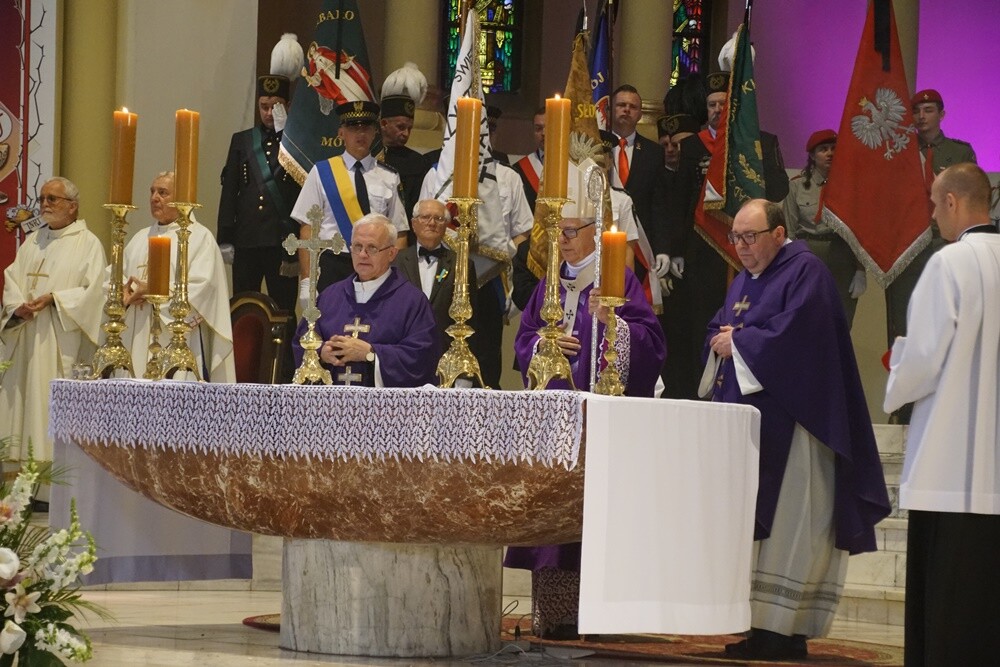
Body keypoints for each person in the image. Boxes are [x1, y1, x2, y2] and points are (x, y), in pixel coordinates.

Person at [701, 199, 890, 660]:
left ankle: (783, 630)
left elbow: (804, 337)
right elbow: (723, 326)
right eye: (736, 237)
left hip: (799, 427)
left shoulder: (807, 272)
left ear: (779, 233)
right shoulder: (746, 278)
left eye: (750, 237)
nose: (741, 247)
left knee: (791, 525)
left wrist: (739, 342)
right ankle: (758, 627)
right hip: (755, 429)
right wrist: (722, 339)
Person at [505, 213, 665, 640]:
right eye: (558, 231)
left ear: (596, 234)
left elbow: (651, 343)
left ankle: (603, 614)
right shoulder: (549, 285)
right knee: (554, 515)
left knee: (596, 515)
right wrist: (544, 344)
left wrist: (612, 323)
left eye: (572, 231)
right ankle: (555, 614)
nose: (563, 239)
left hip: (600, 424)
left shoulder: (619, 280)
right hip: (553, 423)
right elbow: (524, 339)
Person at [883, 163, 1000, 666]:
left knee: (947, 615)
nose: (933, 215)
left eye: (934, 204)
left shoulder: (949, 263)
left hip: (950, 474)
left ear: (953, 202)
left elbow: (924, 358)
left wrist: (897, 376)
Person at [1, 177, 106, 473]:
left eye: (52, 199)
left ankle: (50, 483)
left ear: (72, 206)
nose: (44, 204)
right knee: (20, 405)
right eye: (42, 198)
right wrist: (17, 307)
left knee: (47, 407)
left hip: (58, 341)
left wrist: (55, 299)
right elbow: (12, 279)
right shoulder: (33, 241)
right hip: (26, 337)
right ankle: (18, 482)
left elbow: (94, 293)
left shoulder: (88, 244)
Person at [293, 213, 437, 387]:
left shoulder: (412, 301)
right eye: (357, 246)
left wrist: (371, 353)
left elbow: (421, 357)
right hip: (331, 401)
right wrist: (320, 352)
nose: (362, 254)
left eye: (372, 248)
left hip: (383, 403)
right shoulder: (330, 296)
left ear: (391, 253)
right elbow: (301, 341)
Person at [121, 172, 236, 382]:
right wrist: (124, 292)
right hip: (137, 333)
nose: (154, 198)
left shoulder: (199, 237)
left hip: (178, 337)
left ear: (181, 198)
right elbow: (115, 277)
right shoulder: (139, 238)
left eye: (162, 193)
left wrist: (155, 290)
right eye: (152, 192)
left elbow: (203, 288)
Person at [885, 90, 978, 350]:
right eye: (916, 111)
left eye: (928, 110)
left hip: (946, 241)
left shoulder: (958, 152)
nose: (921, 116)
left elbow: (971, 198)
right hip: (908, 245)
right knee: (905, 315)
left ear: (942, 114)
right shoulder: (898, 151)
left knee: (947, 313)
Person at [291, 100, 409, 303]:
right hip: (333, 264)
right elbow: (308, 229)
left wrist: (395, 276)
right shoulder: (321, 172)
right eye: (353, 127)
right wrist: (307, 281)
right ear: (341, 133)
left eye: (366, 127)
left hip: (375, 266)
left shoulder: (389, 177)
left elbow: (399, 233)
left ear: (375, 132)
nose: (360, 133)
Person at [217, 40, 302, 314]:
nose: (268, 113)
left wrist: (286, 134)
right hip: (247, 239)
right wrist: (225, 236)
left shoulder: (296, 143)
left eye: (275, 106)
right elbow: (230, 191)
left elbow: (302, 185)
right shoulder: (242, 140)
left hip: (282, 240)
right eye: (264, 106)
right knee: (243, 307)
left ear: (287, 105)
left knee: (284, 310)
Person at [783, 129, 866, 327]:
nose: (830, 153)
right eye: (823, 149)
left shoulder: (850, 185)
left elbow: (860, 230)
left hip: (842, 254)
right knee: (808, 318)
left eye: (833, 148)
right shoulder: (797, 186)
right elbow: (789, 230)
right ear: (812, 156)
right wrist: (789, 268)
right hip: (809, 253)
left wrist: (861, 269)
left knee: (841, 319)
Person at [393, 199, 478, 355]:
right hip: (402, 350)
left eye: (438, 219)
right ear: (413, 224)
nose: (431, 223)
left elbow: (473, 316)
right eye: (425, 217)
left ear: (446, 226)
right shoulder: (395, 262)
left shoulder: (462, 264)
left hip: (446, 352)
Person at [378, 62, 431, 220]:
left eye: (410, 128)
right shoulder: (369, 155)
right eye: (401, 127)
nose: (406, 134)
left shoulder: (417, 162)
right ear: (384, 124)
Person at [511, 106, 545, 212]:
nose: (543, 133)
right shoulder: (519, 170)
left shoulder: (574, 166)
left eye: (549, 127)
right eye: (538, 129)